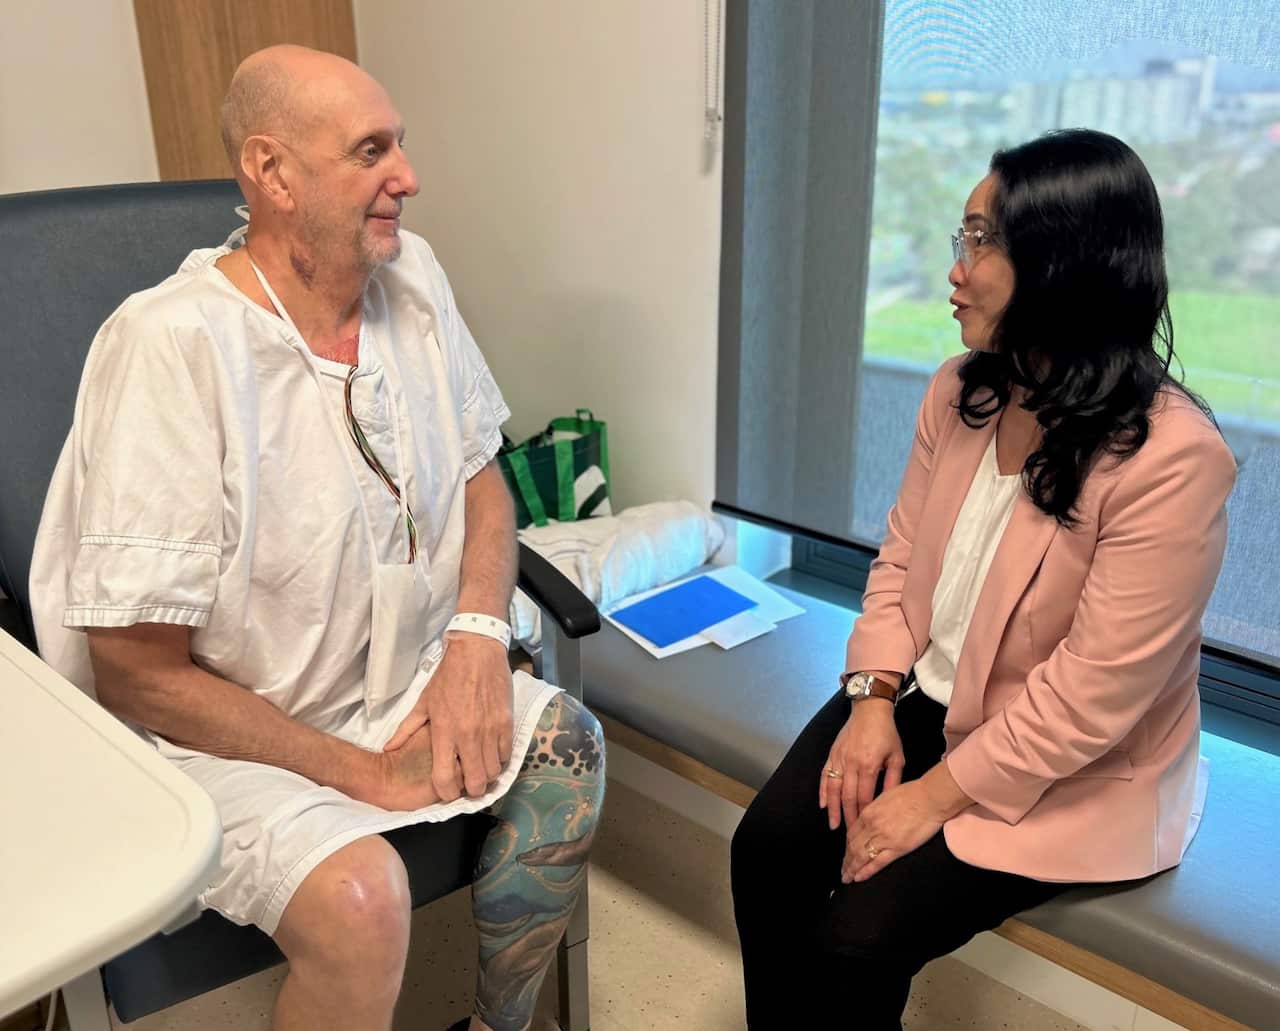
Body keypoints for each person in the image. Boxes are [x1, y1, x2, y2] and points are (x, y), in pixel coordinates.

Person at [30, 45, 604, 1031]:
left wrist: (473, 640)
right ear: (272, 172)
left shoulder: (411, 278)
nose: (409, 178)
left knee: (572, 752)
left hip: (394, 680)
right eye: (369, 150)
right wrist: (359, 773)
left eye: (402, 147)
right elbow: (136, 674)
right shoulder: (170, 348)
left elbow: (484, 480)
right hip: (223, 732)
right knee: (361, 901)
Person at [729, 129, 1236, 1028]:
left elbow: (1091, 700)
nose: (953, 268)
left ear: (1060, 264)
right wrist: (874, 698)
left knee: (861, 928)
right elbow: (897, 564)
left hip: (1073, 758)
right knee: (768, 850)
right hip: (933, 693)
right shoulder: (961, 390)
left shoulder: (1173, 458)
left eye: (978, 240)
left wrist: (925, 798)